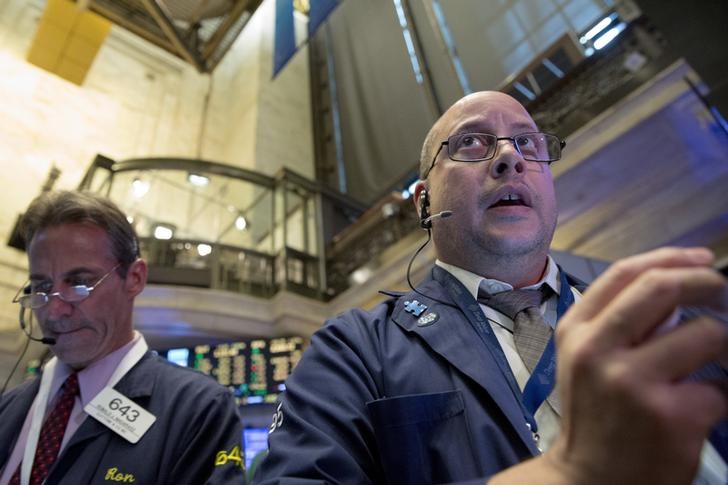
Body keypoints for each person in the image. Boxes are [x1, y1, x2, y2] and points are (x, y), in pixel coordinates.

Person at [252, 91, 728, 484]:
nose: (509, 158)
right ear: (424, 201)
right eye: (473, 143)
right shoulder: (353, 350)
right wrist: (567, 473)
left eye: (526, 142)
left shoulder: (665, 315)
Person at [0, 190, 245, 485]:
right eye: (42, 286)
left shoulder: (198, 409)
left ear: (135, 278)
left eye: (79, 283)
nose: (54, 311)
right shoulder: (8, 407)